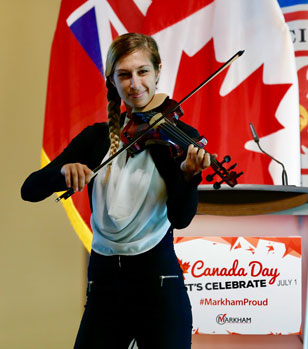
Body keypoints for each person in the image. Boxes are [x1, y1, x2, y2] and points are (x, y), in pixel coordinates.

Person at [21, 33, 211, 349]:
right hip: (104, 281)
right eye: (124, 74)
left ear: (158, 71)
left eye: (143, 72)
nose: (135, 83)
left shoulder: (177, 137)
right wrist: (63, 172)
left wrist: (189, 178)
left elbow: (181, 218)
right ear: (112, 80)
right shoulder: (95, 139)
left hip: (158, 282)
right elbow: (30, 189)